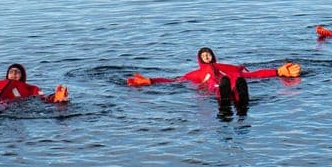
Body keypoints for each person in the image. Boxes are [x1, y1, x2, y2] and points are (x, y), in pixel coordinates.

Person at [126, 47, 301, 108]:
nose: (207, 57)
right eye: (204, 55)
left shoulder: (226, 67)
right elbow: (174, 81)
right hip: (213, 88)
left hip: (231, 82)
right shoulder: (196, 74)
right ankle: (229, 97)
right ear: (200, 59)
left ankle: (240, 96)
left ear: (213, 55)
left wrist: (277, 72)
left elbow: (252, 74)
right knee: (218, 87)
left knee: (238, 81)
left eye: (209, 54)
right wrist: (151, 81)